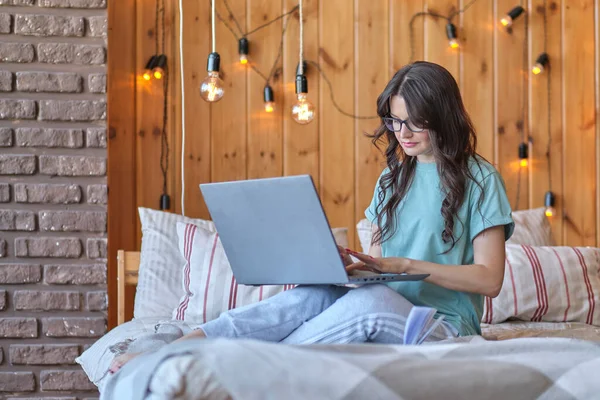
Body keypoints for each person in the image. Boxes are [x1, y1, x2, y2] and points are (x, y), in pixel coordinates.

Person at [110, 61, 513, 373]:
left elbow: (489, 279)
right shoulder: (393, 178)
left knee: (367, 306)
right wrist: (348, 266)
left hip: (441, 325)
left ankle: (229, 364)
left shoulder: (480, 178)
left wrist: (407, 266)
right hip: (384, 300)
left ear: (442, 116)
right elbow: (377, 268)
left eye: (414, 122)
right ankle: (181, 348)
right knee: (308, 296)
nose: (400, 132)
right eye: (394, 120)